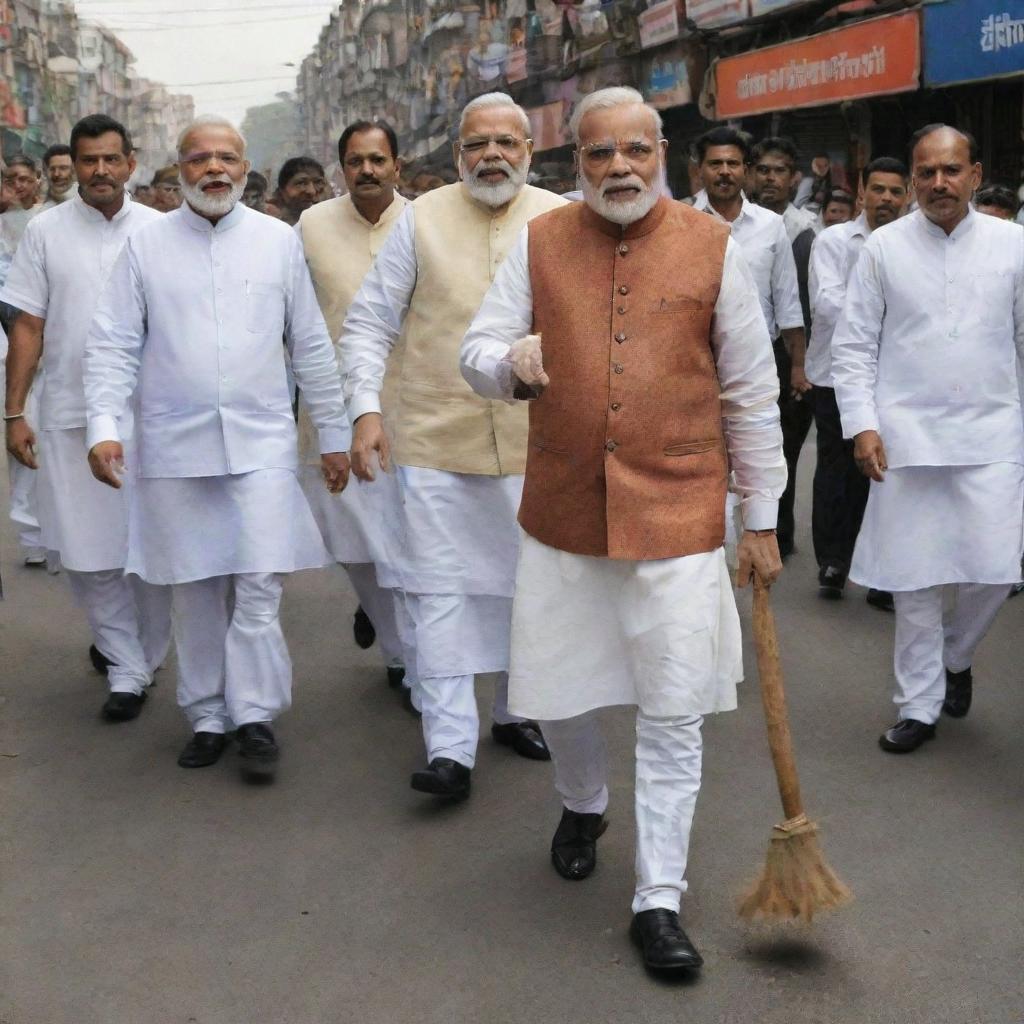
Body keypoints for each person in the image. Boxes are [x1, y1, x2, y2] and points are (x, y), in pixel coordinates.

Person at [461, 86, 785, 973]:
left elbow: (752, 394)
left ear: (661, 155)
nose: (619, 170)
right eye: (600, 155)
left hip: (679, 512)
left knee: (674, 708)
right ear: (576, 164)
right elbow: (476, 349)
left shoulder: (715, 248)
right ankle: (584, 798)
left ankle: (658, 897)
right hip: (563, 511)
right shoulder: (540, 242)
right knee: (556, 691)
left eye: (635, 152)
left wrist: (760, 517)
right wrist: (508, 366)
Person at [83, 115, 350, 779]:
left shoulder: (277, 242)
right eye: (199, 158)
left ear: (244, 166)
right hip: (173, 445)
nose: (214, 169)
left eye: (226, 157)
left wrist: (336, 435)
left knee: (259, 582)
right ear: (177, 170)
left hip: (261, 442)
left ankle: (254, 714)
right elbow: (114, 342)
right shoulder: (146, 247)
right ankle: (206, 713)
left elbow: (311, 344)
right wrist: (103, 427)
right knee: (195, 588)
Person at [342, 91, 566, 800]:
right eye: (477, 145)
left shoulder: (563, 219)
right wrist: (364, 411)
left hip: (540, 445)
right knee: (439, 593)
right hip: (435, 439)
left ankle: (514, 712)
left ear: (529, 151)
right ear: (456, 155)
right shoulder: (422, 221)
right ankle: (449, 749)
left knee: (530, 592)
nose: (491, 155)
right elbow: (369, 324)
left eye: (506, 142)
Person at [832, 125, 1024, 753]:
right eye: (926, 172)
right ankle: (918, 704)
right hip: (904, 437)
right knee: (913, 579)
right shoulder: (883, 249)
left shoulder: (1013, 245)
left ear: (974, 174)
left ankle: (956, 654)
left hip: (994, 433)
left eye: (951, 170)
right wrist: (861, 424)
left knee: (996, 568)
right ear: (913, 179)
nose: (938, 183)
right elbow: (855, 345)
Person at [2, 114, 172, 718]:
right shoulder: (45, 232)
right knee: (87, 551)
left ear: (130, 163)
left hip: (152, 418)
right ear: (73, 167)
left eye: (110, 159)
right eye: (88, 160)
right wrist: (14, 411)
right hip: (69, 415)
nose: (100, 170)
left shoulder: (162, 229)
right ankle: (126, 666)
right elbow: (27, 324)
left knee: (148, 550)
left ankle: (146, 655)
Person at [295, 118, 410, 697]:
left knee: (410, 544)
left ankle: (415, 658)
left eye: (377, 159)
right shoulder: (310, 227)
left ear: (398, 166)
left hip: (414, 413)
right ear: (341, 170)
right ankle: (396, 648)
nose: (367, 169)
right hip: (333, 411)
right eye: (355, 161)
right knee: (357, 547)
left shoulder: (423, 222)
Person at [693, 127, 806, 559]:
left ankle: (767, 533)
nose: (724, 172)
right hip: (697, 358)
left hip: (762, 358)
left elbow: (788, 302)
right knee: (707, 453)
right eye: (715, 163)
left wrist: (798, 365)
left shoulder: (771, 226)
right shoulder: (681, 223)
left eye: (733, 163)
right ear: (699, 170)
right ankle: (710, 542)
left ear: (746, 171)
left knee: (762, 450)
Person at [808, 157, 909, 606]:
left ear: (905, 195)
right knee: (837, 473)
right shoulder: (833, 241)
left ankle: (884, 574)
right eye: (879, 190)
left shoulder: (913, 243)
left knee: (888, 474)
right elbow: (827, 304)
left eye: (895, 191)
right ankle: (833, 561)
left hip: (893, 378)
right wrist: (884, 314)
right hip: (834, 376)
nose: (886, 198)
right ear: (862, 192)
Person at [751, 137, 819, 242]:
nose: (770, 178)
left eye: (779, 171)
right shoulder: (738, 221)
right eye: (763, 170)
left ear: (793, 178)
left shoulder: (802, 229)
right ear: (752, 175)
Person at [275, 157, 327, 226]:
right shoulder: (273, 230)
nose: (312, 191)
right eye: (301, 183)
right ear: (282, 191)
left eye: (317, 182)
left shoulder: (335, 226)